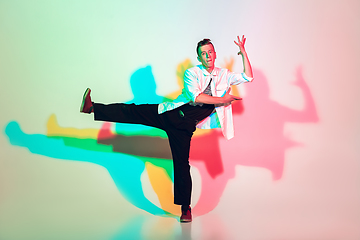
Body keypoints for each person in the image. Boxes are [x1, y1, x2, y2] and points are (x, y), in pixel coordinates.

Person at [80, 35, 254, 223]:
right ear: (199, 58)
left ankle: (185, 209)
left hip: (184, 128)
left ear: (215, 53)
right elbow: (196, 98)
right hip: (169, 114)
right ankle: (92, 108)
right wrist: (222, 100)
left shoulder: (224, 75)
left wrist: (243, 52)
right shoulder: (192, 73)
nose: (208, 56)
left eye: (210, 52)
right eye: (204, 54)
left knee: (181, 165)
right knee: (132, 111)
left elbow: (248, 76)